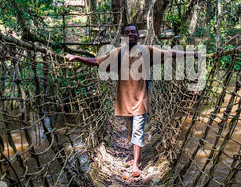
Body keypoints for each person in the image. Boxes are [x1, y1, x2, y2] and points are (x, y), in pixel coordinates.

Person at [66, 24, 199, 177]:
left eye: (133, 32)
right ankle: (138, 155)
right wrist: (77, 58)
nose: (131, 34)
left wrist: (191, 53)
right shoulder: (117, 53)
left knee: (137, 131)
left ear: (138, 35)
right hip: (124, 101)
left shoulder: (147, 51)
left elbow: (170, 53)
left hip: (141, 99)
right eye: (128, 32)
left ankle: (135, 164)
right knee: (131, 131)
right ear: (124, 35)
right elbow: (97, 61)